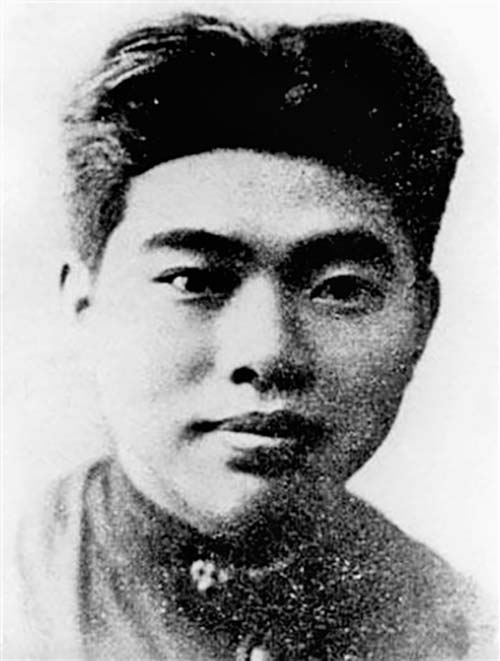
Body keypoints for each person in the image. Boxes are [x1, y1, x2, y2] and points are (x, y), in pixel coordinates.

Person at [10, 11, 495, 660]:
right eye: (193, 280)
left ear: (422, 320)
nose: (268, 353)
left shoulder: (463, 628)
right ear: (84, 303)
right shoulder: (19, 592)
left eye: (341, 288)